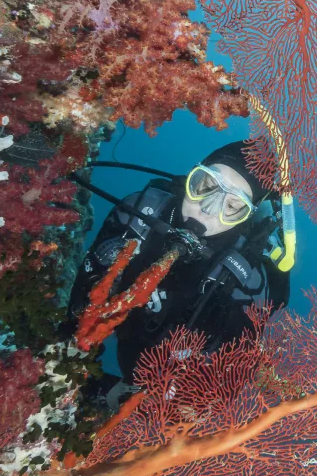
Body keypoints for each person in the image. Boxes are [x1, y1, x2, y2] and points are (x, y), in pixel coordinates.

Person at [66, 141, 290, 407]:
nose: (207, 209)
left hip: (159, 388)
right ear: (191, 177)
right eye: (205, 186)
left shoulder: (245, 282)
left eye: (232, 206)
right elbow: (78, 310)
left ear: (246, 216)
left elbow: (215, 392)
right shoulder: (136, 213)